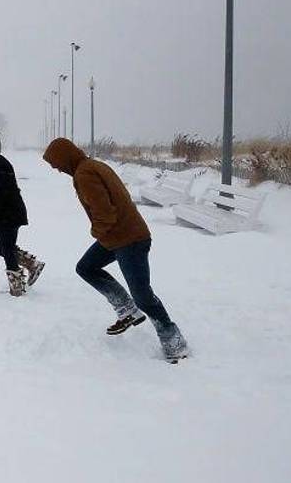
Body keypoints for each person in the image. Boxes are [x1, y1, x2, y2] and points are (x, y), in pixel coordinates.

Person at [42, 138, 189, 362]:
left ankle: (172, 338)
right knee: (86, 268)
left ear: (65, 157)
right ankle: (127, 309)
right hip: (117, 237)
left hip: (129, 239)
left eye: (56, 163)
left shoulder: (85, 174)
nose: (56, 169)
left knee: (142, 294)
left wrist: (97, 232)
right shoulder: (92, 166)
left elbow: (105, 214)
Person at [0, 131, 44, 296]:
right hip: (8, 212)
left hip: (8, 213)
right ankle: (32, 264)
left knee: (5, 247)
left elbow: (3, 193)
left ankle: (17, 288)